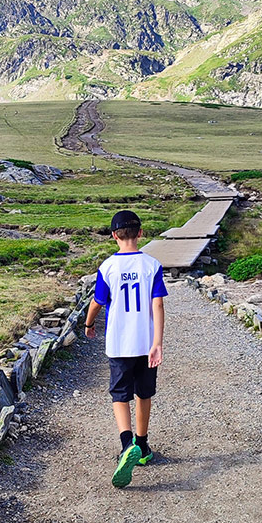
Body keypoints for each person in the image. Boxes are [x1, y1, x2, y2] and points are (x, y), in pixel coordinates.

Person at [84, 209, 167, 488]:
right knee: (144, 393)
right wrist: (157, 342)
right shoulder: (152, 265)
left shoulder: (107, 267)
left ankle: (125, 444)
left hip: (119, 344)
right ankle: (142, 447)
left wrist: (88, 323)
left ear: (114, 235)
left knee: (120, 395)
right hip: (146, 344)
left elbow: (98, 301)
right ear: (140, 233)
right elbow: (158, 304)